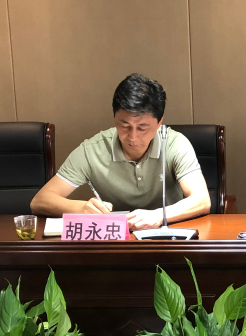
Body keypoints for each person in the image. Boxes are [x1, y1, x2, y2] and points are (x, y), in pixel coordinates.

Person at [30, 74, 211, 229]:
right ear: (114, 117)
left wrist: (159, 215)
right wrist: (82, 209)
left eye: (142, 128)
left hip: (167, 236)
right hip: (116, 239)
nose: (132, 136)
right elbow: (40, 201)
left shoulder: (174, 144)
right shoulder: (92, 150)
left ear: (159, 122)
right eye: (124, 126)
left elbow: (202, 200)